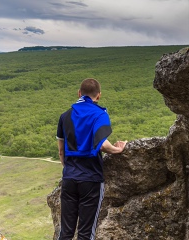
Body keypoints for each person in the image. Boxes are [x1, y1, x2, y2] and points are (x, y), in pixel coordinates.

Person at [56, 78, 127, 240]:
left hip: (69, 178)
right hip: (91, 179)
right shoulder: (100, 114)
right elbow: (101, 144)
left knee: (65, 233)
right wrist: (117, 149)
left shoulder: (65, 116)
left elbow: (61, 151)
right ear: (99, 96)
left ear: (79, 93)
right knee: (86, 233)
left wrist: (68, 170)